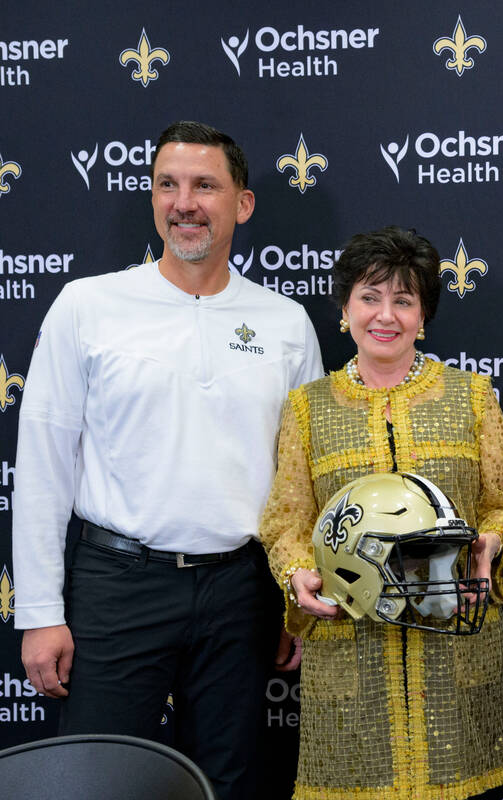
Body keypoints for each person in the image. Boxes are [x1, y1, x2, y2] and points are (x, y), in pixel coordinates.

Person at [13, 121, 323, 799]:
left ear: (241, 203)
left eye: (205, 185)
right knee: (96, 783)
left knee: (230, 783)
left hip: (242, 593)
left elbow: (301, 483)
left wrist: (291, 608)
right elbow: (41, 465)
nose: (184, 202)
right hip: (117, 585)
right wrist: (39, 611)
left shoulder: (286, 323)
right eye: (167, 185)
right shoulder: (87, 307)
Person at [259, 226, 503, 800]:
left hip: (455, 646)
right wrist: (296, 574)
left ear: (423, 315)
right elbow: (285, 521)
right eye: (370, 296)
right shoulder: (307, 408)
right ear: (344, 308)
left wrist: (490, 543)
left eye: (403, 300)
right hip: (348, 654)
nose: (386, 315)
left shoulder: (473, 395)